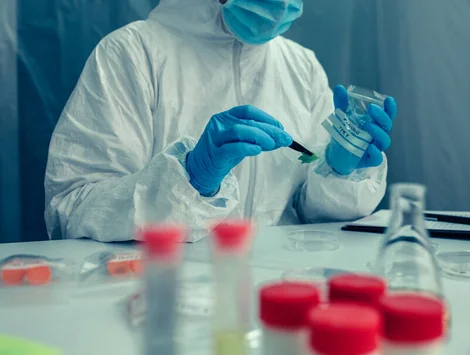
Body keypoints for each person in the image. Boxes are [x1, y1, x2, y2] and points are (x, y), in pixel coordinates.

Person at [44, 0, 397, 242]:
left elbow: (308, 216)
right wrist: (190, 178)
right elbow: (71, 209)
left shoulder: (301, 66)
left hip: (275, 289)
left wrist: (338, 170)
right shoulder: (133, 53)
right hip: (161, 295)